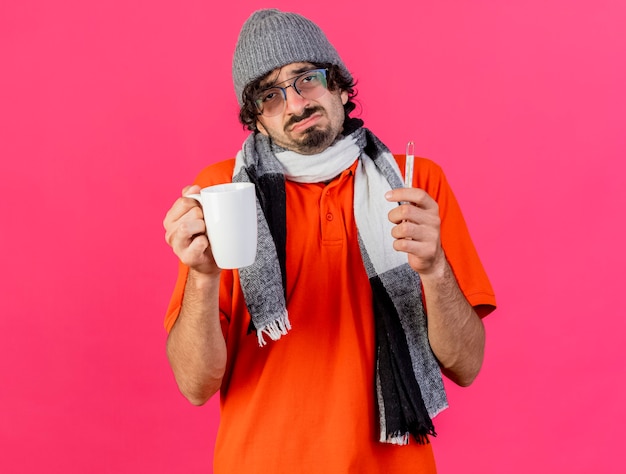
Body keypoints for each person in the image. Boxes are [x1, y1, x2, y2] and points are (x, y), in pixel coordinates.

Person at [163, 8, 496, 473]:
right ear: (256, 119)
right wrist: (202, 277)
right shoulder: (223, 193)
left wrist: (436, 269)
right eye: (270, 95)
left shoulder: (413, 184)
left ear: (339, 84)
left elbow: (467, 365)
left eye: (307, 79)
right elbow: (195, 385)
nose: (296, 104)